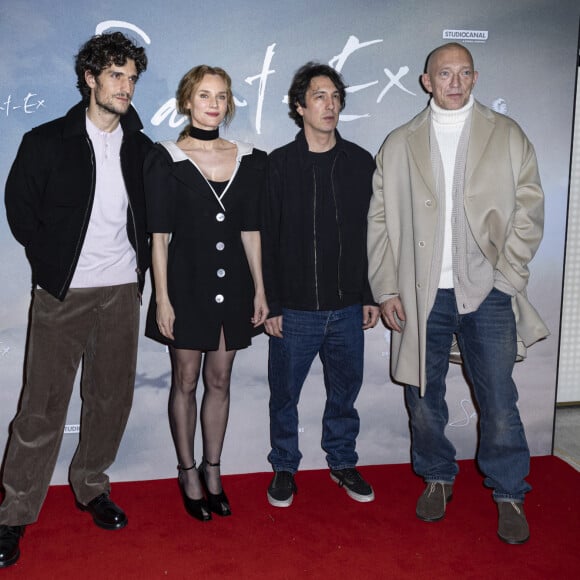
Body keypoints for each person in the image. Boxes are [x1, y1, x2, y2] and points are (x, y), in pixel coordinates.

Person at [367, 42, 549, 544]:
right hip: (421, 294)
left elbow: (530, 210)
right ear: (426, 81)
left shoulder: (507, 135)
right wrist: (386, 289)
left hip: (488, 292)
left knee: (499, 399)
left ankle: (510, 490)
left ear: (474, 77)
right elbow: (379, 221)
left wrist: (507, 277)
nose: (454, 81)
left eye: (463, 72)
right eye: (444, 73)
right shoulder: (400, 141)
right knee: (423, 398)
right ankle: (437, 478)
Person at [0, 32, 151, 568]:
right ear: (89, 78)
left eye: (132, 77)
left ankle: (91, 486)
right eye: (115, 75)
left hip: (120, 292)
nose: (125, 86)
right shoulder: (47, 140)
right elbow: (20, 210)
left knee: (110, 400)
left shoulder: (141, 146)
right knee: (41, 407)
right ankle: (15, 513)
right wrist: (50, 261)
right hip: (63, 292)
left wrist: (140, 274)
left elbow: (153, 215)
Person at [145, 65, 268, 522]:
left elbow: (251, 230)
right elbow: (158, 237)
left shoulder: (251, 158)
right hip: (186, 286)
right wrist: (162, 299)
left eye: (221, 96)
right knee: (186, 381)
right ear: (186, 102)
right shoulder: (166, 158)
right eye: (203, 95)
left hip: (233, 287)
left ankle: (213, 470)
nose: (213, 103)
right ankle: (187, 471)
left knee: (220, 381)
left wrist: (260, 289)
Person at [262, 62, 380, 508]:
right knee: (284, 397)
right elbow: (265, 240)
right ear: (299, 106)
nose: (329, 105)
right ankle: (285, 468)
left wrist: (369, 294)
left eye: (335, 97)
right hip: (293, 311)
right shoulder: (278, 165)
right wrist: (271, 303)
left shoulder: (359, 162)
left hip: (349, 307)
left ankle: (343, 462)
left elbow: (373, 235)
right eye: (318, 97)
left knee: (345, 395)